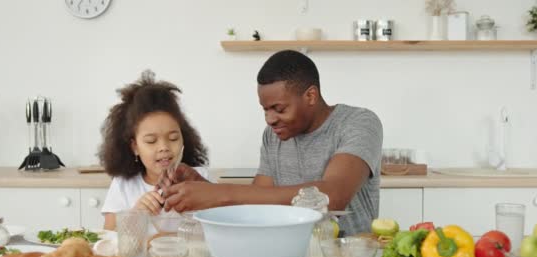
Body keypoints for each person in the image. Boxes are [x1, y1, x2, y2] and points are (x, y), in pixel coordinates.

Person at [159, 50, 383, 235]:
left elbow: (332, 197)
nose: (270, 119)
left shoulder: (358, 123)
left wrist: (219, 193)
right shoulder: (272, 136)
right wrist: (202, 187)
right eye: (265, 109)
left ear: (311, 96)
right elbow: (256, 203)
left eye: (279, 109)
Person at [98, 70, 209, 231]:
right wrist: (137, 214)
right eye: (151, 141)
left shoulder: (201, 177)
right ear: (135, 147)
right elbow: (108, 235)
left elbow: (221, 225)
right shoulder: (123, 186)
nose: (164, 147)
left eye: (173, 138)